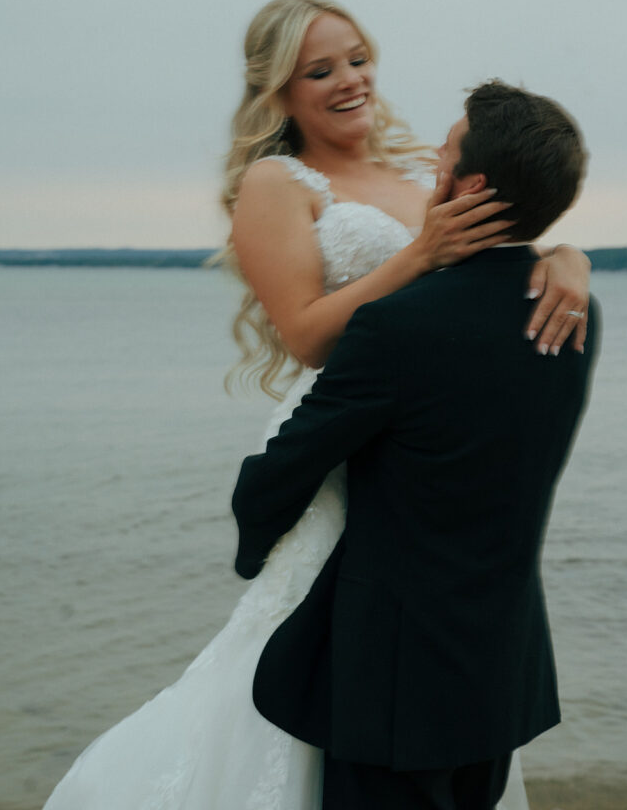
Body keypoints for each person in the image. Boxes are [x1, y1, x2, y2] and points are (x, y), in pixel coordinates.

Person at [43, 0, 589, 809]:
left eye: (357, 58)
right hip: (339, 428)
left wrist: (567, 257)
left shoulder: (417, 171)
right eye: (319, 69)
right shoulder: (274, 182)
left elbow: (495, 265)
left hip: (423, 447)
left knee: (425, 646)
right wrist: (418, 255)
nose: (348, 81)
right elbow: (303, 333)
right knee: (322, 643)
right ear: (279, 91)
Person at [232, 79, 600, 810]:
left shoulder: (397, 327)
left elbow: (277, 478)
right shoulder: (574, 312)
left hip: (393, 682)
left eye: (448, 150)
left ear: (468, 185)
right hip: (500, 670)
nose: (434, 154)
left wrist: (257, 550)